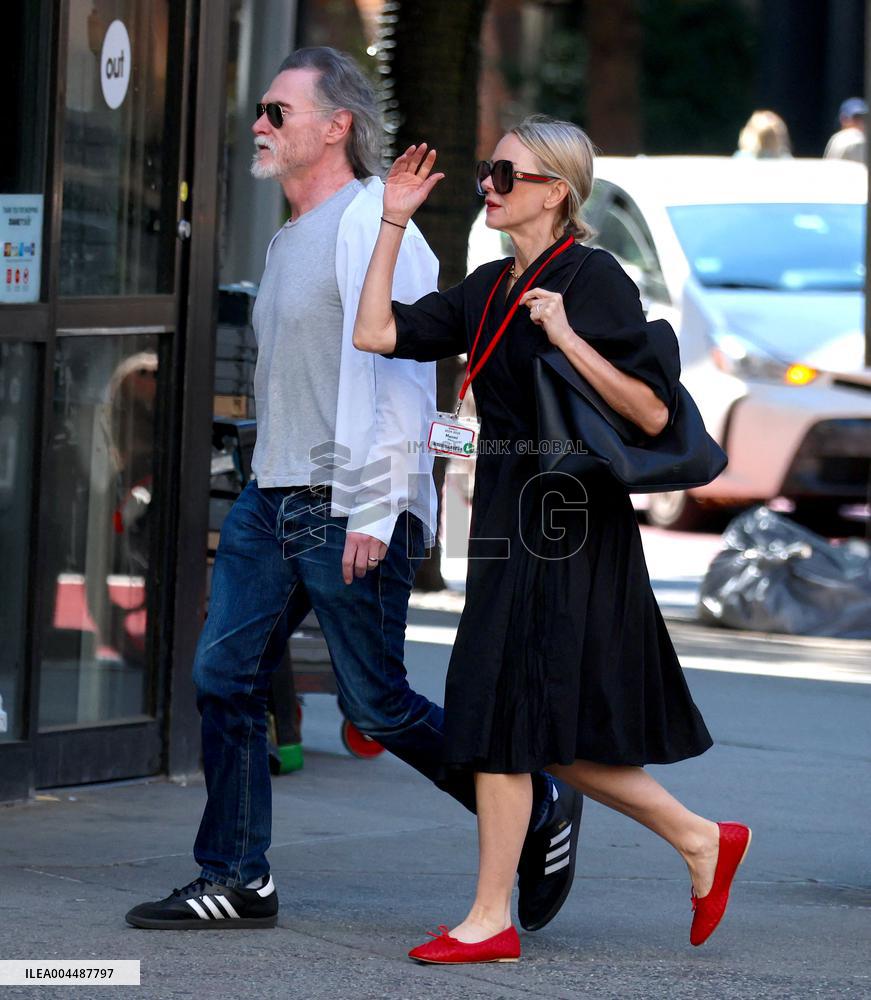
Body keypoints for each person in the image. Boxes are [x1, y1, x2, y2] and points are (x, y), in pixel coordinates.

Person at [125, 49, 580, 932]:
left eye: (275, 110)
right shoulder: (290, 233)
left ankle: (534, 798)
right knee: (223, 676)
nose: (259, 123)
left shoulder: (379, 217)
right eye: (261, 111)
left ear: (335, 126)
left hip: (346, 501)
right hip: (275, 493)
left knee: (378, 703)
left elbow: (407, 371)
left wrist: (376, 505)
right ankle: (237, 877)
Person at [353, 115, 751, 964]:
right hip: (505, 521)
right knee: (513, 720)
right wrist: (393, 219)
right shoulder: (489, 285)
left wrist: (567, 336)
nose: (487, 186)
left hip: (570, 527)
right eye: (485, 173)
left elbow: (648, 412)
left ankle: (495, 916)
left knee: (508, 716)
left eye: (504, 173)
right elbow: (376, 334)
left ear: (554, 190)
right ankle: (692, 842)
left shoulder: (594, 279)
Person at [824, 97, 867, 162]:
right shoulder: (847, 138)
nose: (861, 122)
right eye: (857, 118)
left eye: (864, 118)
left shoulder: (836, 138)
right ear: (843, 119)